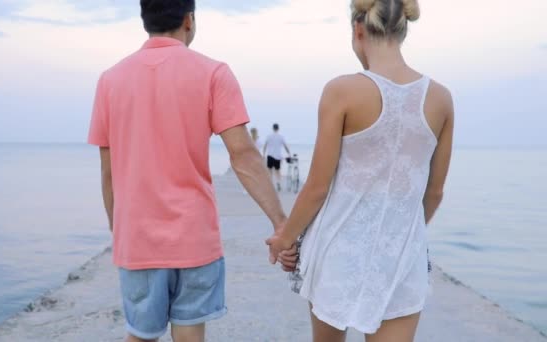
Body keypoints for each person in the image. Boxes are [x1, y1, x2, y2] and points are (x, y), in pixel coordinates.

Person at [88, 1, 296, 341]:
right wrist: (281, 223)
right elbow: (243, 155)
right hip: (194, 237)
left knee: (140, 334)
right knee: (190, 335)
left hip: (138, 239)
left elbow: (108, 172)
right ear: (189, 20)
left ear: (145, 21)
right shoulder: (213, 73)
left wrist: (119, 232)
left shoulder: (110, 80)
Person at [266, 0, 454, 341]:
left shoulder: (341, 90)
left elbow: (317, 187)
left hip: (338, 248)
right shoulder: (440, 98)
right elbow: (435, 191)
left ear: (358, 29)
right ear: (403, 30)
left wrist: (284, 238)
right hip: (401, 259)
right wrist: (402, 234)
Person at [263, 123, 291, 191]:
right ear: (278, 128)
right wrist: (289, 153)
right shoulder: (281, 137)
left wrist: (263, 154)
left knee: (270, 171)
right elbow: (285, 146)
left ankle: (270, 185)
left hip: (270, 155)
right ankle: (278, 183)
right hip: (278, 157)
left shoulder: (269, 136)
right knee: (278, 171)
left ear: (273, 128)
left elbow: (265, 146)